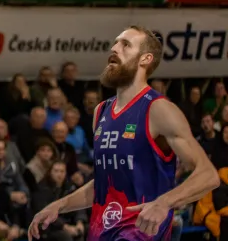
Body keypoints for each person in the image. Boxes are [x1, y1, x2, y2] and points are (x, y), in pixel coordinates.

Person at [29, 26, 220, 241]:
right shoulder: (100, 111)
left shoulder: (158, 109)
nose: (114, 48)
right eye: (116, 42)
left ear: (145, 59)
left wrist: (164, 202)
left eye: (125, 45)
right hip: (101, 233)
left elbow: (208, 175)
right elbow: (103, 185)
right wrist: (60, 205)